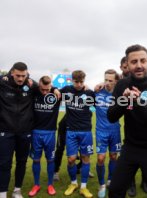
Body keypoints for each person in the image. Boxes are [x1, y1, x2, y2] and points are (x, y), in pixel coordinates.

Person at [107, 44, 147, 198]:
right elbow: (111, 116)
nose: (139, 65)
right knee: (115, 190)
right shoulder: (122, 84)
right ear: (127, 65)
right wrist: (124, 100)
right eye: (134, 62)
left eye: (143, 61)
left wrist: (136, 102)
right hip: (131, 146)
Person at [0, 62, 36, 198]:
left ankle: (17, 190)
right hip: (5, 131)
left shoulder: (31, 84)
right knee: (4, 163)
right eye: (18, 75)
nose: (20, 79)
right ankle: (2, 192)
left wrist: (55, 88)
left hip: (24, 131)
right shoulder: (3, 82)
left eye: (23, 75)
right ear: (12, 73)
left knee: (22, 162)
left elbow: (46, 85)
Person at [61, 70, 95, 198]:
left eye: (81, 82)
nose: (79, 84)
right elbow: (53, 89)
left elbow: (101, 101)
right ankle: (73, 183)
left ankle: (83, 187)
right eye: (77, 82)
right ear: (72, 80)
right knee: (71, 159)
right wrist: (55, 90)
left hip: (86, 131)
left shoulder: (89, 93)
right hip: (71, 131)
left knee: (86, 158)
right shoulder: (66, 90)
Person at [28, 76, 61, 196]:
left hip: (50, 133)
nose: (45, 92)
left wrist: (55, 89)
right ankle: (36, 185)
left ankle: (50, 185)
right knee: (36, 160)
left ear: (51, 87)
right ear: (39, 86)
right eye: (42, 89)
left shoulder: (56, 95)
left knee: (50, 159)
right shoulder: (34, 92)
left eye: (47, 89)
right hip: (35, 132)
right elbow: (26, 80)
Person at [95, 69, 121, 198]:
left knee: (113, 157)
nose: (107, 83)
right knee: (100, 158)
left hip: (115, 130)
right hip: (101, 131)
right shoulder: (97, 92)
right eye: (105, 79)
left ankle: (110, 179)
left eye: (110, 80)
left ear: (116, 81)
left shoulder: (119, 95)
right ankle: (101, 184)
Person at [53, 114, 94, 181]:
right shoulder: (74, 108)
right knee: (60, 148)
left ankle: (81, 168)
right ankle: (55, 171)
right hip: (65, 127)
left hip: (79, 128)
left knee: (84, 149)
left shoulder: (88, 111)